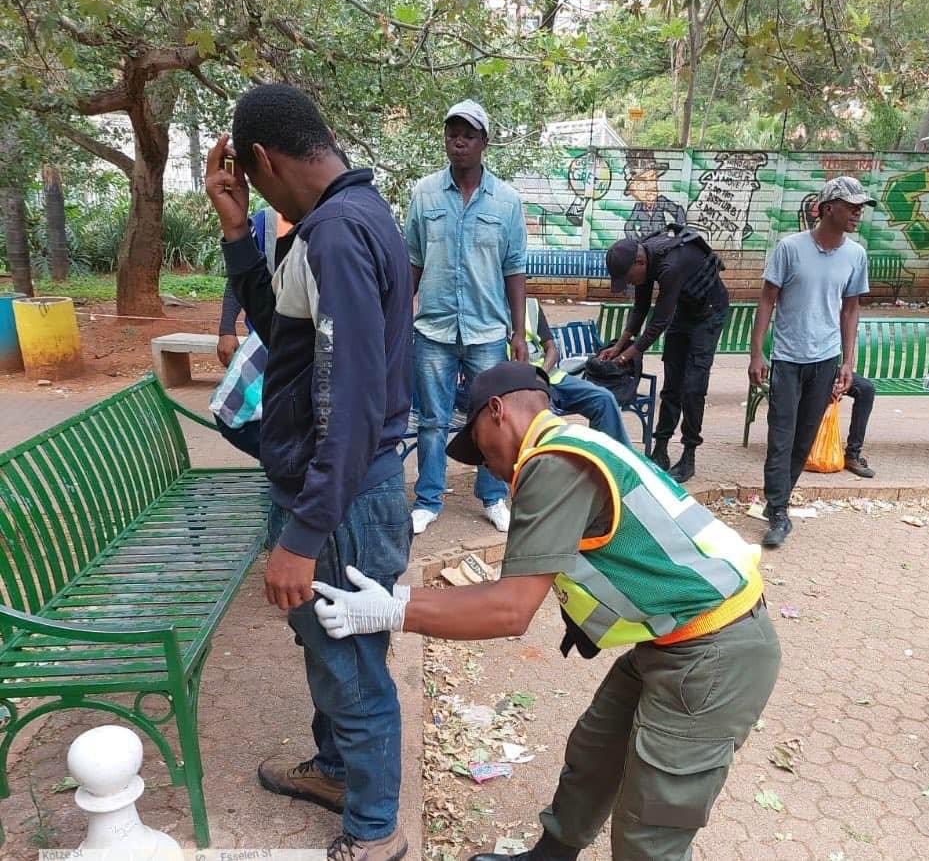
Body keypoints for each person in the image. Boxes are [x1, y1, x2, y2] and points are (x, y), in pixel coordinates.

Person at [312, 361, 781, 861]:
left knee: (653, 825)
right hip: (675, 642)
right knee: (594, 755)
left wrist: (392, 608)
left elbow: (509, 611)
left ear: (497, 412)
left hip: (715, 655)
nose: (485, 466)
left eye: (479, 449)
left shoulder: (552, 464)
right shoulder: (574, 444)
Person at [204, 83, 413, 861]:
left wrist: (303, 533)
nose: (253, 191)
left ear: (262, 158)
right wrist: (236, 228)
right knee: (329, 649)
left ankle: (373, 832)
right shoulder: (345, 218)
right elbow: (283, 330)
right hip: (335, 488)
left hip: (344, 498)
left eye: (250, 184)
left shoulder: (336, 233)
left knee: (350, 664)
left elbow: (351, 401)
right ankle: (335, 773)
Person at [406, 99, 528, 536]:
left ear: (484, 143)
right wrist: (403, 311)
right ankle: (428, 499)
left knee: (493, 418)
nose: (458, 141)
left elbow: (514, 268)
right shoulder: (423, 194)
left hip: (487, 330)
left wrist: (518, 332)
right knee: (434, 419)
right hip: (434, 328)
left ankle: (494, 496)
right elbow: (414, 259)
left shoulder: (508, 201)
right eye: (452, 133)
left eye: (468, 134)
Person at [749, 176, 871, 548]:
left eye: (860, 207)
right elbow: (768, 300)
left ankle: (780, 502)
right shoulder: (789, 248)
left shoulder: (856, 255)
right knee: (781, 437)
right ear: (827, 208)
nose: (858, 213)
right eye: (852, 207)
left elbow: (850, 309)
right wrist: (757, 353)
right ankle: (778, 510)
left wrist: (848, 361)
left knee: (804, 439)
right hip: (787, 359)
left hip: (826, 360)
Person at [599, 227, 729, 484]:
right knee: (672, 383)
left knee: (693, 387)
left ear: (639, 262)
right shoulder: (644, 256)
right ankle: (660, 449)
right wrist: (620, 345)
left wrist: (626, 357)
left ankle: (689, 454)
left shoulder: (670, 265)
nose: (630, 284)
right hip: (684, 309)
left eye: (628, 279)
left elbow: (658, 323)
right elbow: (641, 307)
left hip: (709, 314)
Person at [210, 206, 289, 461]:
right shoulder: (266, 221)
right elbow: (240, 273)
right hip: (267, 338)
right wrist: (226, 329)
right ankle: (286, 471)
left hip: (310, 342)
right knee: (246, 409)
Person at [517, 296, 632, 447]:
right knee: (543, 417)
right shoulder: (489, 311)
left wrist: (542, 374)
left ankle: (614, 462)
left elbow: (551, 349)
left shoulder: (531, 305)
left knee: (604, 399)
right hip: (521, 383)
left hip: (550, 376)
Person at [622, 151, 686, 239]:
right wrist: (637, 242)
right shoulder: (638, 207)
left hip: (662, 243)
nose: (652, 186)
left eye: (653, 179)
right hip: (646, 245)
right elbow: (628, 226)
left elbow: (679, 211)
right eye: (643, 181)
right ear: (633, 190)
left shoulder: (661, 201)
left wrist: (678, 234)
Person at [844, 373, 876, 477]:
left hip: (827, 366)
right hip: (794, 368)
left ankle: (852, 454)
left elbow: (847, 359)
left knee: (866, 389)